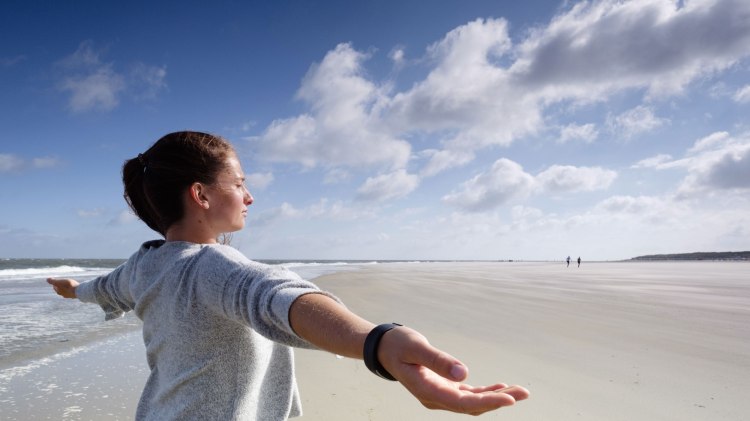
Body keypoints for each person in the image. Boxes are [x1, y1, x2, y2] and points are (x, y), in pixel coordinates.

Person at [47, 131, 529, 420]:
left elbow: (100, 289)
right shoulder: (213, 267)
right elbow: (278, 299)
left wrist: (71, 289)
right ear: (201, 195)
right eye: (239, 183)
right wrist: (376, 342)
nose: (249, 196)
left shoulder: (142, 264)